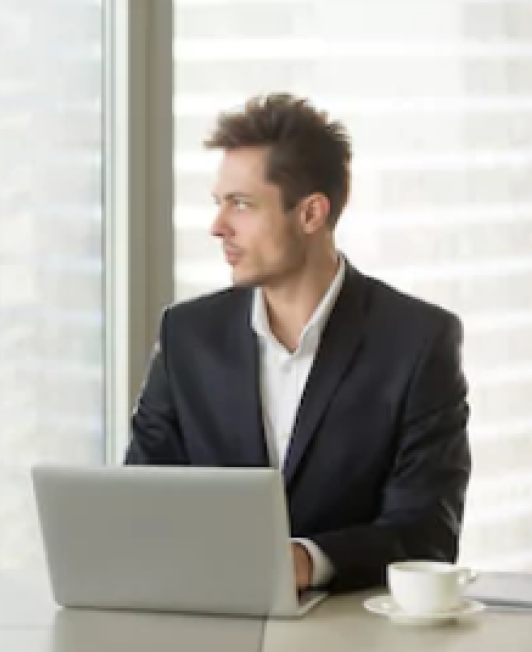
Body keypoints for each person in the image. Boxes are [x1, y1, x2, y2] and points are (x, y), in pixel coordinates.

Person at [125, 94, 471, 593]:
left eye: (241, 204)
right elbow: (142, 503)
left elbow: (427, 535)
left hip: (352, 625)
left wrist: (307, 561)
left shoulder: (417, 342)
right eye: (219, 203)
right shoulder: (187, 335)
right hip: (210, 614)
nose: (218, 227)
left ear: (310, 214)